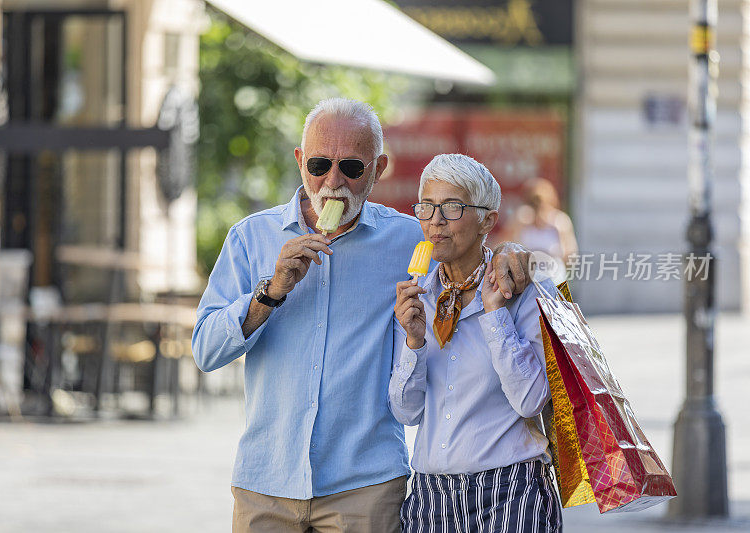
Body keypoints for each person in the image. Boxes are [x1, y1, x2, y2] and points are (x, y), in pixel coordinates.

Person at [192, 98, 534, 533]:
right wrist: (271, 291)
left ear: (378, 169)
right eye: (319, 164)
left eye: (351, 168)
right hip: (267, 483)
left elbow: (469, 251)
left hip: (366, 487)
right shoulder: (250, 237)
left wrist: (509, 252)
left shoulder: (409, 237)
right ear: (300, 162)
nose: (333, 181)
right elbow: (204, 351)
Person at [390, 154, 562, 532]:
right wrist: (414, 342)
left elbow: (531, 400)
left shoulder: (525, 288)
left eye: (452, 207)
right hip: (430, 497)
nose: (435, 221)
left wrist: (494, 314)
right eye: (427, 207)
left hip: (511, 492)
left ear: (488, 219)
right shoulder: (417, 299)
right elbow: (407, 412)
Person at [505, 177, 577, 283]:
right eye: (535, 204)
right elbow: (502, 247)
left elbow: (571, 257)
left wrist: (559, 233)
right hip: (526, 282)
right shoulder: (521, 220)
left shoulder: (560, 221)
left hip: (554, 281)